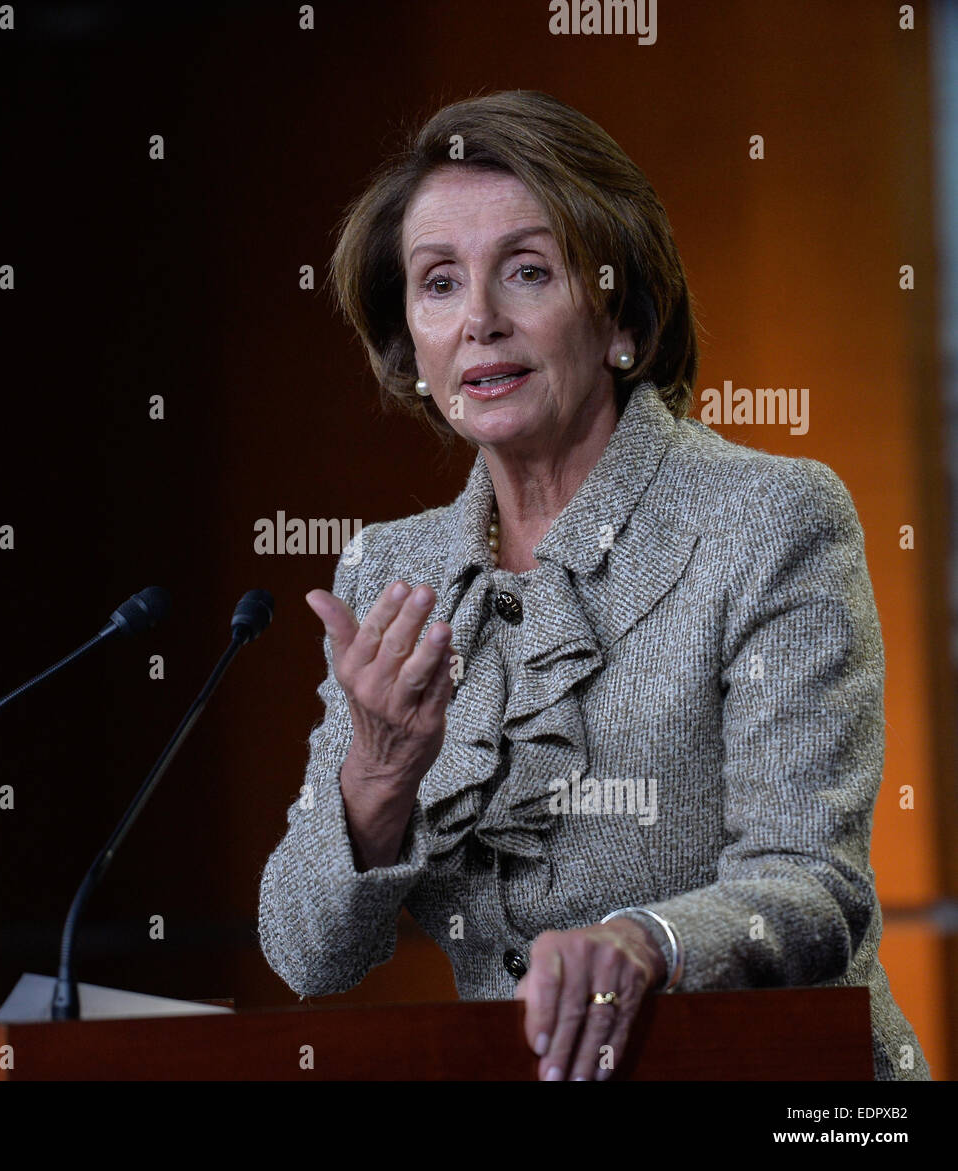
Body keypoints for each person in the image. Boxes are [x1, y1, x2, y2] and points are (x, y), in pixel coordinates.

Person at [256, 90, 929, 1081]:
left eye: (526, 272)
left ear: (620, 316)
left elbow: (813, 887)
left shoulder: (767, 517)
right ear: (411, 349)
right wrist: (377, 778)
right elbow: (306, 955)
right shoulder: (388, 574)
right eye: (439, 284)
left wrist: (645, 939)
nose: (479, 319)